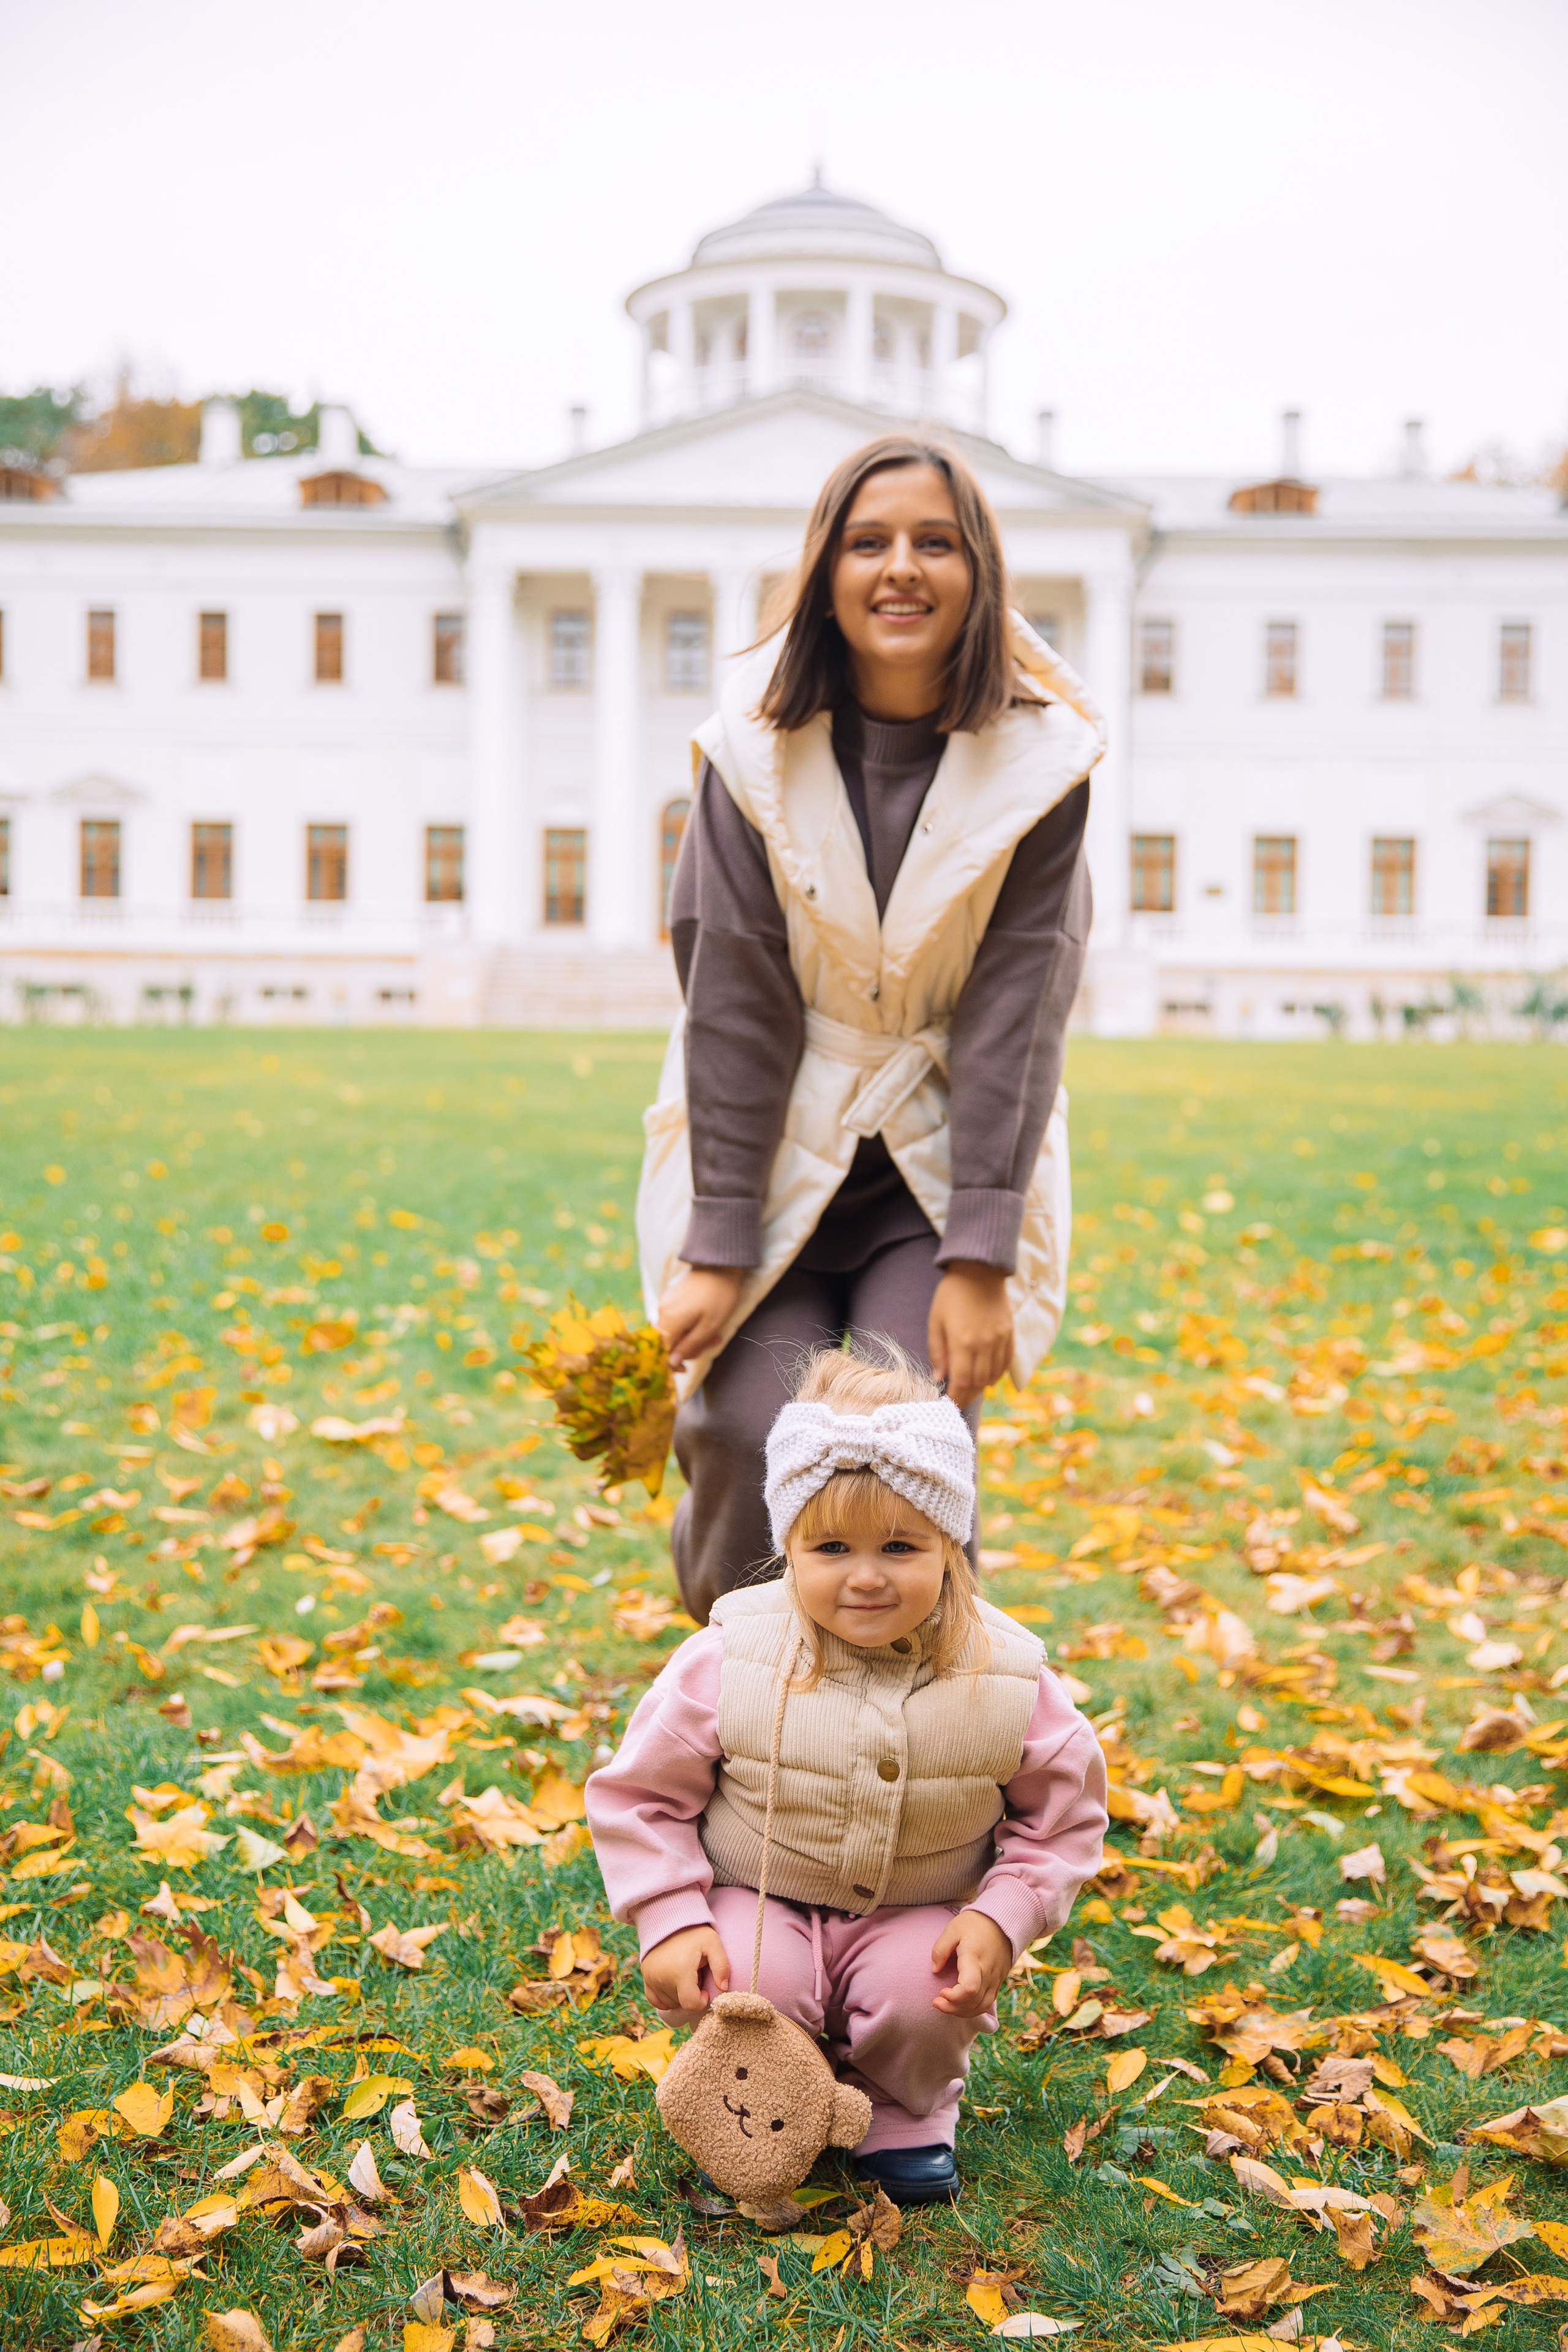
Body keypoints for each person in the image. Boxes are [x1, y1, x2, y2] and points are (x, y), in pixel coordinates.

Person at [636, 432, 1104, 1626]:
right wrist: (720, 1236)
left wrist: (979, 1254)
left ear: (976, 572)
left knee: (907, 1435)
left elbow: (1018, 1008)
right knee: (747, 1428)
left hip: (939, 1164)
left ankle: (924, 1723)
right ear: (826, 572)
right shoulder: (749, 758)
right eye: (868, 542)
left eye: (933, 543)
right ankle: (737, 1704)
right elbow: (731, 1003)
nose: (900, 568)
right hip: (775, 1141)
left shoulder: (1040, 764)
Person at [584, 1345, 1108, 2204]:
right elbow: (641, 1795)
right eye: (832, 1547)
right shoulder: (730, 1655)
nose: (866, 1577)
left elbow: (1063, 1819)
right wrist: (670, 1916)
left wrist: (1001, 1916)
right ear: (788, 1543)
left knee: (923, 1997)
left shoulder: (1009, 1674)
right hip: (760, 1899)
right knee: (753, 1989)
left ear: (950, 1544)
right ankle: (760, 2100)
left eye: (900, 1546)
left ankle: (902, 2107)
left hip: (916, 1910)